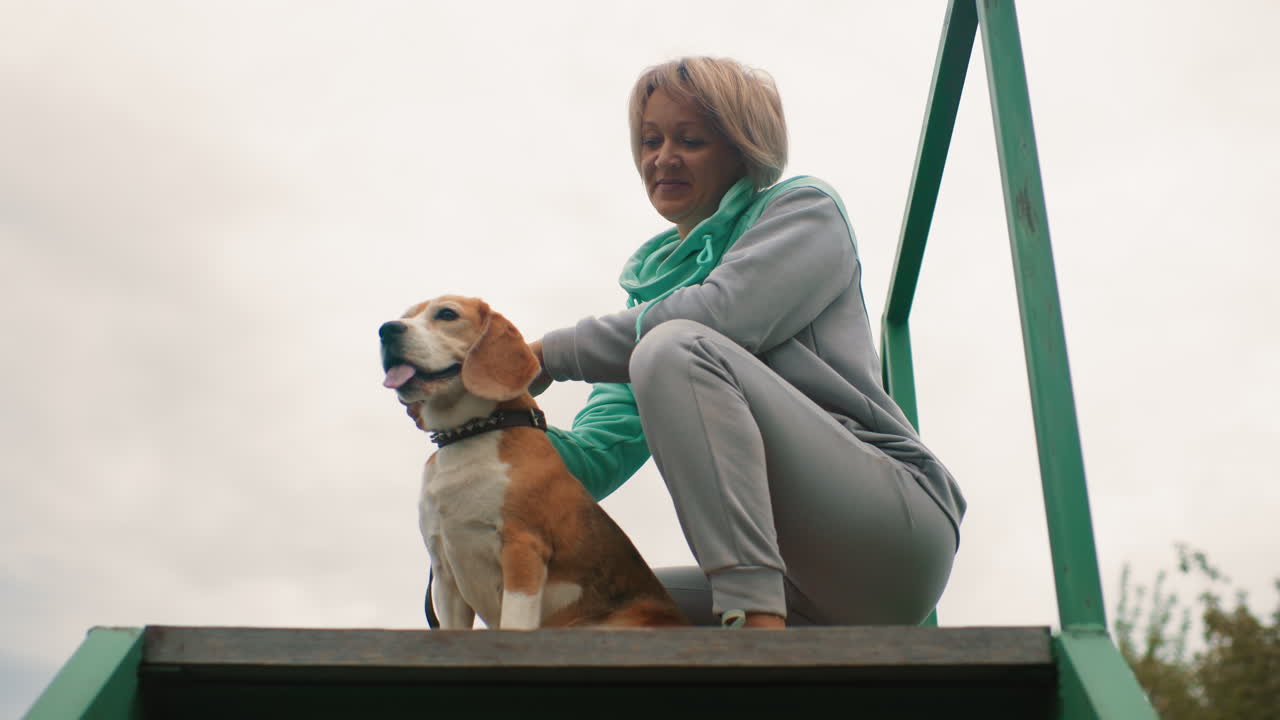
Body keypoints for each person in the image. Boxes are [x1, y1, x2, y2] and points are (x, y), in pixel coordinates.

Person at [528, 57, 965, 629]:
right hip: (798, 584)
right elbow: (596, 456)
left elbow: (723, 314)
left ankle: (753, 623)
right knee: (571, 607)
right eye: (650, 140)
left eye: (690, 140)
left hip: (890, 533)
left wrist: (546, 354)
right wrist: (484, 441)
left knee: (673, 346)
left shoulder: (805, 212)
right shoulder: (651, 312)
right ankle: (757, 614)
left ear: (742, 148)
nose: (662, 158)